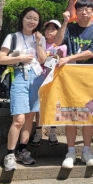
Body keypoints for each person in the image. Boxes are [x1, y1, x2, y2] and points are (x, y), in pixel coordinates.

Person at [55, 0, 93, 169]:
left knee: (88, 115)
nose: (84, 12)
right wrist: (64, 22)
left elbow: (92, 52)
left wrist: (69, 58)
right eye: (81, 9)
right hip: (69, 78)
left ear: (92, 11)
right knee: (70, 113)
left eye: (87, 9)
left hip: (89, 78)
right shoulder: (70, 28)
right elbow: (57, 42)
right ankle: (70, 151)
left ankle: (86, 150)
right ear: (76, 12)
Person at [0, 7, 47, 171]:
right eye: (29, 17)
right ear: (22, 18)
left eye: (35, 19)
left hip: (37, 78)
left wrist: (39, 42)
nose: (32, 21)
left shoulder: (39, 38)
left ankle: (22, 150)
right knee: (19, 119)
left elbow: (43, 60)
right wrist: (20, 58)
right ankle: (10, 155)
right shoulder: (12, 37)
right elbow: (0, 59)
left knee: (29, 118)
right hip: (19, 77)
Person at [31, 19, 66, 147]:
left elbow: (63, 63)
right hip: (40, 79)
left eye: (53, 29)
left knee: (54, 106)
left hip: (54, 81)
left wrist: (60, 56)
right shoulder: (39, 44)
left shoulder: (62, 47)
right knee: (39, 106)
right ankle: (38, 132)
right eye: (48, 28)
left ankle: (52, 132)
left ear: (58, 31)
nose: (50, 31)